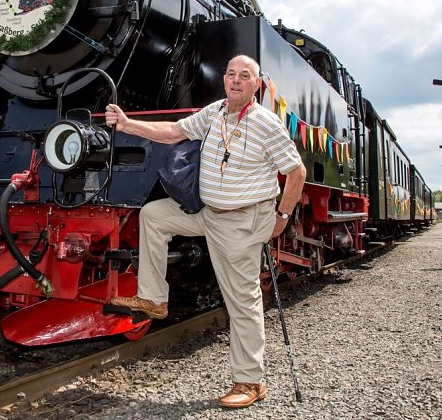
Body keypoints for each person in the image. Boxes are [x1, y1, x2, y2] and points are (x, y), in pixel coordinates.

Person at [105, 55, 307, 409]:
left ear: (257, 85)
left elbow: (297, 172)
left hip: (242, 221)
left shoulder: (267, 124)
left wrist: (284, 215)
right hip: (209, 213)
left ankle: (250, 381)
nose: (236, 80)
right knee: (154, 214)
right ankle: (154, 297)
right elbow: (172, 132)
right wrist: (126, 125)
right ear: (224, 79)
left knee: (242, 301)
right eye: (230, 73)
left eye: (245, 76)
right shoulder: (215, 112)